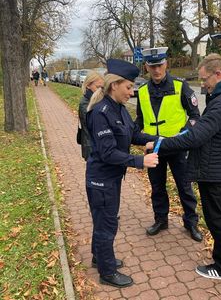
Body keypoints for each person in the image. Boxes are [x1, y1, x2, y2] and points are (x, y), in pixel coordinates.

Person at [148, 53, 221, 281]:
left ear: (218, 74)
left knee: (215, 218)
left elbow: (196, 137)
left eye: (205, 80)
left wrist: (161, 143)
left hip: (215, 169)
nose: (202, 85)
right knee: (219, 214)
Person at [85, 59, 159, 288]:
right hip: (101, 179)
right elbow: (108, 153)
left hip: (112, 178)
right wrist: (139, 161)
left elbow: (133, 134)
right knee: (107, 224)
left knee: (103, 221)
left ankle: (100, 258)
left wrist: (154, 139)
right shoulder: (100, 112)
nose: (132, 91)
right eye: (128, 87)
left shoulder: (120, 109)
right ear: (114, 85)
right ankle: (107, 273)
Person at [136, 47, 203, 242]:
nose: (156, 70)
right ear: (146, 66)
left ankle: (191, 223)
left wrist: (184, 134)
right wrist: (133, 135)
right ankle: (161, 220)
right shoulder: (141, 91)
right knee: (157, 187)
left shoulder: (180, 86)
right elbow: (140, 120)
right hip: (154, 148)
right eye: (152, 66)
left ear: (166, 64)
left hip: (176, 147)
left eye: (160, 65)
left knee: (184, 186)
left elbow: (194, 117)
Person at [78, 71, 104, 161]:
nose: (100, 90)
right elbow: (93, 123)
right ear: (88, 85)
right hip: (91, 148)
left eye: (102, 87)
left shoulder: (98, 100)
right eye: (97, 87)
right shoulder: (85, 103)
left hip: (99, 146)